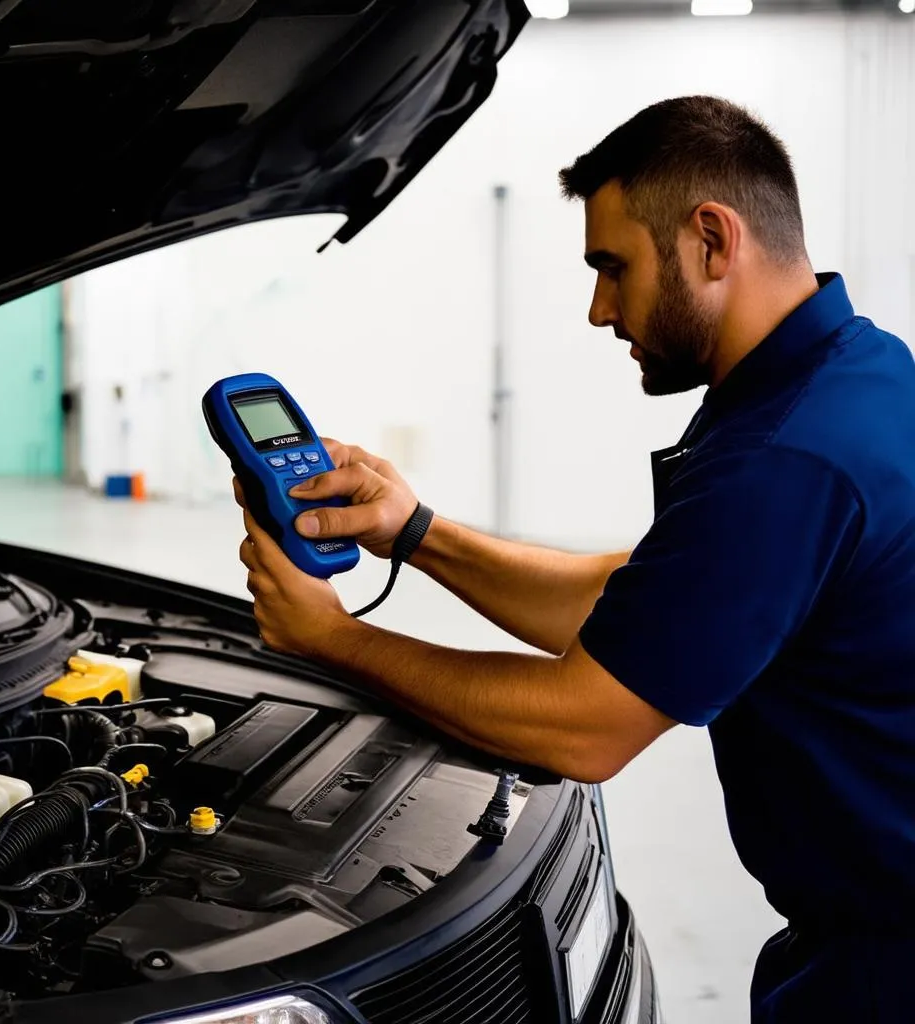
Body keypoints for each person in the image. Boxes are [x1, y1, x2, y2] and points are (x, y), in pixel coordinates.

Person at [236, 96, 915, 1023]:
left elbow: (587, 725)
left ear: (712, 240)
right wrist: (414, 532)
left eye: (613, 266)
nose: (600, 309)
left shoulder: (788, 453)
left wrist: (335, 642)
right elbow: (637, 603)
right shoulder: (850, 375)